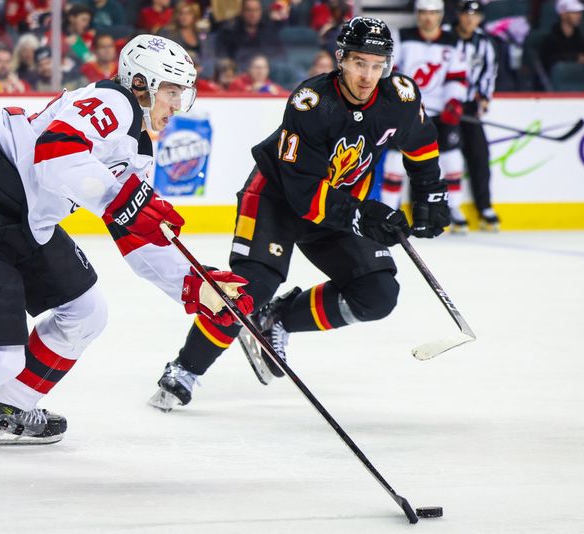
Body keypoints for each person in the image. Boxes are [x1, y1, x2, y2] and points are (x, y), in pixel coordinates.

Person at [0, 34, 253, 445]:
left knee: (85, 310)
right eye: (171, 92)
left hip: (26, 218)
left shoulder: (138, 149)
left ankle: (9, 407)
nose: (177, 106)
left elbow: (135, 232)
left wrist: (196, 285)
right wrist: (123, 198)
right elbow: (56, 152)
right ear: (139, 84)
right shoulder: (114, 102)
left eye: (184, 94)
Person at [147, 17, 448, 411]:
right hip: (277, 199)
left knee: (377, 293)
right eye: (359, 63)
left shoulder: (400, 99)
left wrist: (430, 193)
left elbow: (421, 142)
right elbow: (305, 195)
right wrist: (363, 215)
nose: (368, 76)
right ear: (340, 60)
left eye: (377, 65)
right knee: (249, 289)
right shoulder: (312, 103)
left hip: (338, 207)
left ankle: (280, 319)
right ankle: (185, 369)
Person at [380, 0, 468, 233]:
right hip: (407, 112)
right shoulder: (402, 36)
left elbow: (458, 76)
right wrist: (399, 101)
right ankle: (389, 209)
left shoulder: (452, 41)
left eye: (432, 13)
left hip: (440, 113)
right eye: (423, 13)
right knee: (394, 162)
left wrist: (453, 101)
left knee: (452, 160)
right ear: (418, 15)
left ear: (440, 15)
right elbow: (391, 72)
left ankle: (453, 209)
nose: (428, 18)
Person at [450, 0, 500, 231]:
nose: (470, 20)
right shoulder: (446, 36)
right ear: (459, 15)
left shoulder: (484, 42)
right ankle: (450, 206)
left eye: (475, 15)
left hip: (469, 106)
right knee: (448, 157)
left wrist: (486, 97)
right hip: (446, 106)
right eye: (466, 14)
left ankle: (484, 206)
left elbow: (489, 73)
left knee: (480, 154)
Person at [539, 0, 584, 73]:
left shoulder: (581, 37)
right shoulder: (550, 38)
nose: (579, 16)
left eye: (579, 13)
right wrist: (574, 57)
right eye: (574, 12)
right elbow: (548, 62)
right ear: (563, 14)